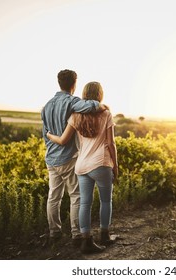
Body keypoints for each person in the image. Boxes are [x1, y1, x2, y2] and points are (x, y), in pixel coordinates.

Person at [47, 81, 118, 254]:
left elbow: (63, 140)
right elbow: (110, 143)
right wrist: (115, 165)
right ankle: (104, 235)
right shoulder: (106, 113)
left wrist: (49, 135)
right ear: (100, 95)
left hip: (81, 165)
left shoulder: (75, 116)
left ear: (84, 95)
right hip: (101, 163)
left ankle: (86, 240)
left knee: (85, 202)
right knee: (105, 200)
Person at [41, 70, 106, 246]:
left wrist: (51, 147)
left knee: (53, 196)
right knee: (76, 196)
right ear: (74, 83)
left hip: (51, 158)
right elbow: (92, 106)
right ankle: (76, 234)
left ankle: (54, 232)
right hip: (68, 158)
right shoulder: (72, 102)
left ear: (59, 83)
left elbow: (45, 134)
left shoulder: (46, 105)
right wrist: (101, 106)